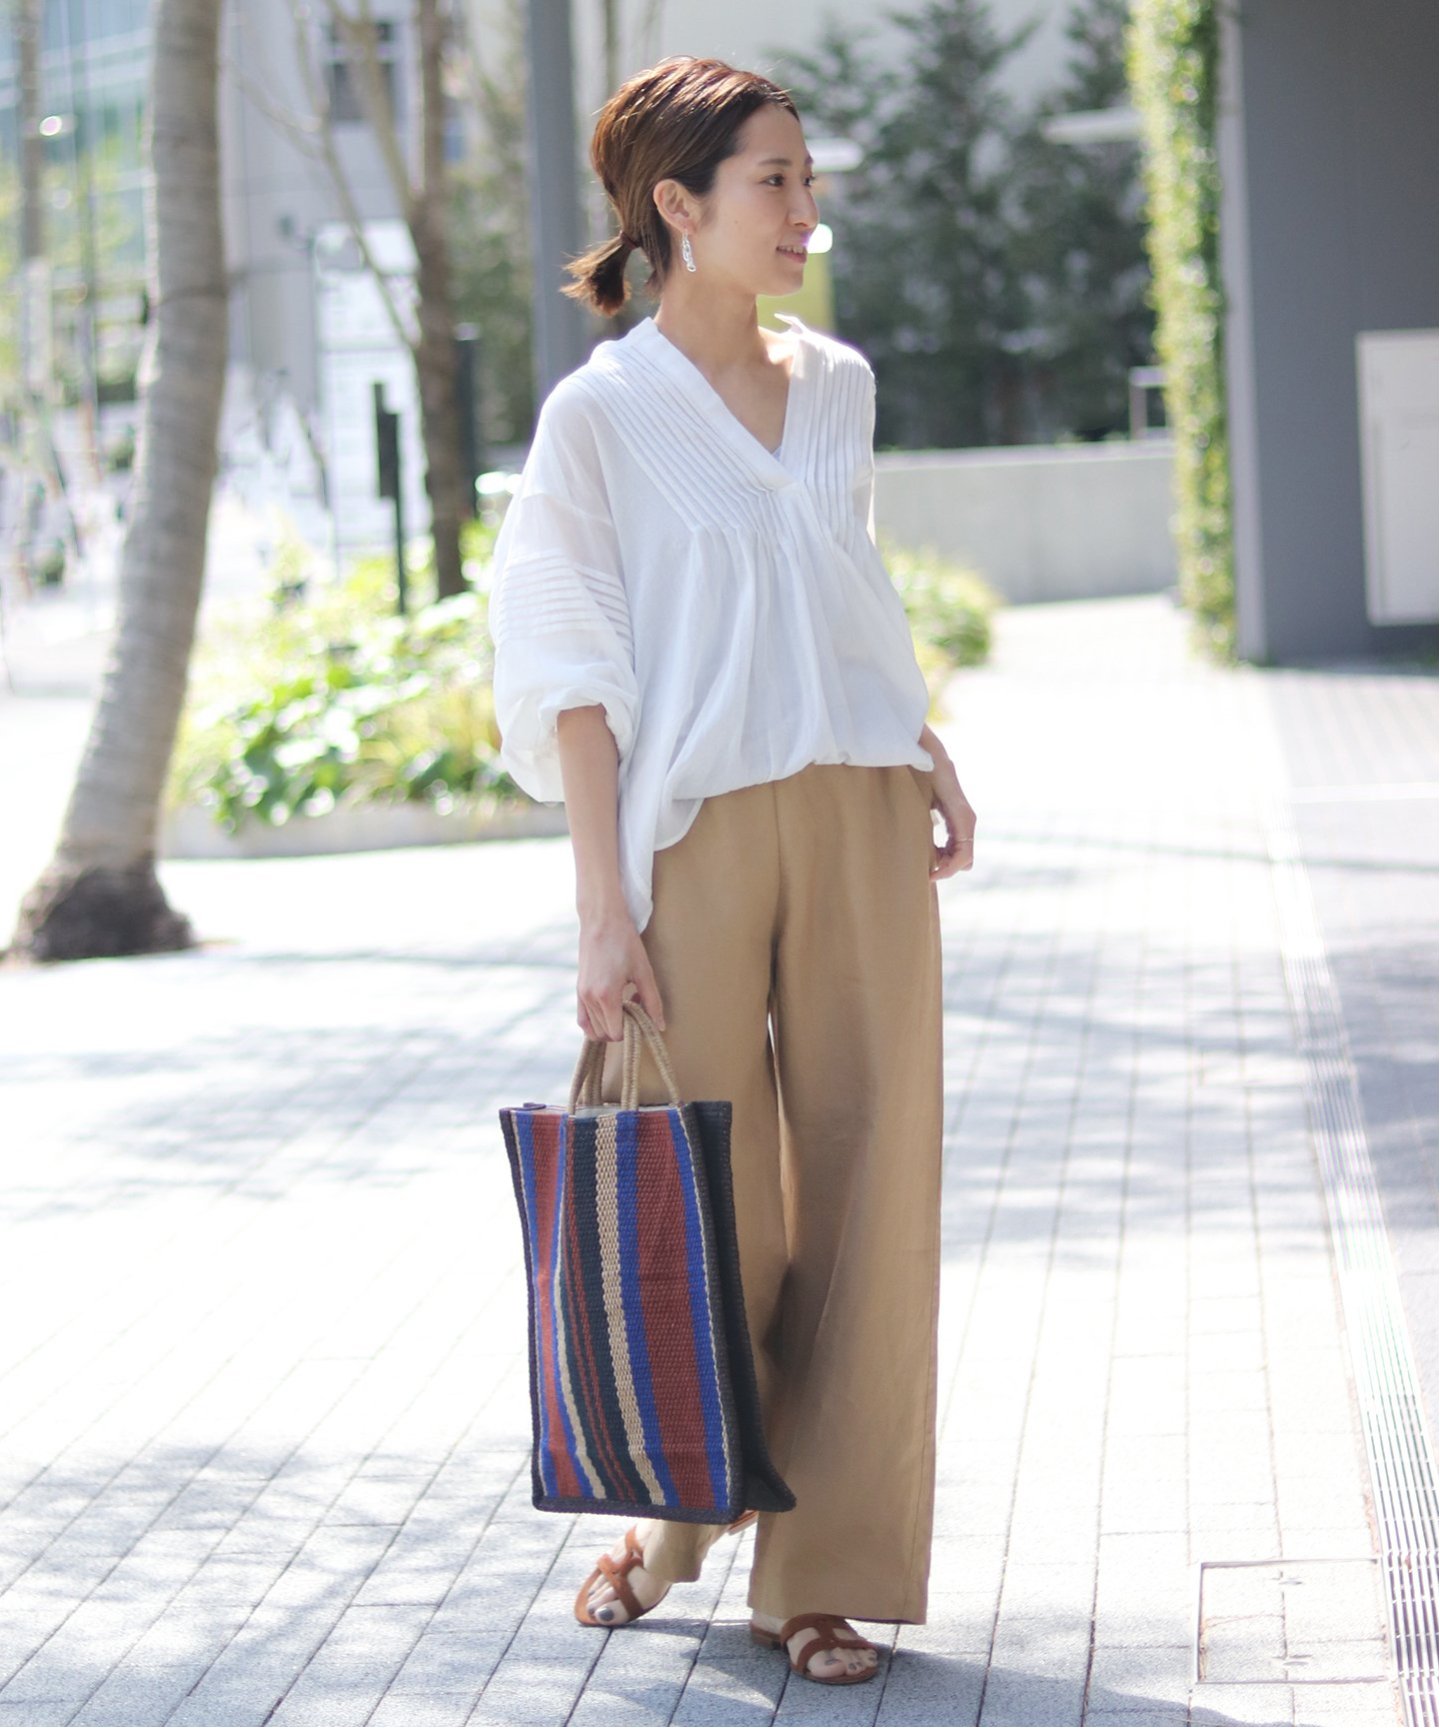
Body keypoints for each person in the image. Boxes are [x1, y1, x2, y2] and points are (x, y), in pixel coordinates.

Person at [487, 54, 976, 1686]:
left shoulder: (835, 384)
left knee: (872, 1185)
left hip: (855, 804)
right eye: (775, 180)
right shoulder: (601, 417)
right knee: (711, 1204)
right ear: (675, 207)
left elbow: (841, 592)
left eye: (807, 178)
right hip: (691, 831)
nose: (805, 208)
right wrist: (601, 909)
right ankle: (675, 1523)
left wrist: (921, 743)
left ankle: (820, 1576)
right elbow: (573, 667)